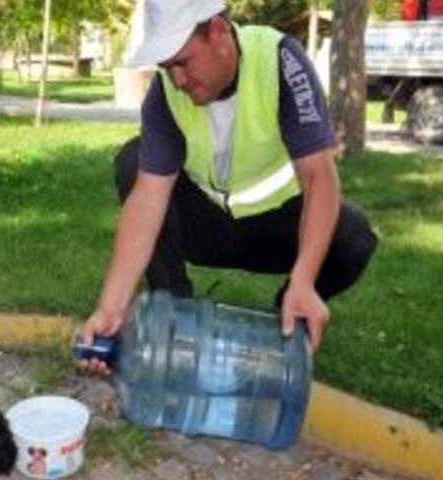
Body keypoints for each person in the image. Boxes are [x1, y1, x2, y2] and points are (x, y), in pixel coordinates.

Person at [80, 0, 377, 374]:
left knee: (353, 236)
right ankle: (175, 321)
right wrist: (110, 308)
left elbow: (320, 177)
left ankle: (286, 320)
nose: (177, 80)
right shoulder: (165, 94)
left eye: (183, 62)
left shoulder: (280, 61)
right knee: (133, 161)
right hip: (208, 230)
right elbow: (148, 198)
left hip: (276, 230)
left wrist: (304, 280)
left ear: (218, 31)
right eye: (167, 68)